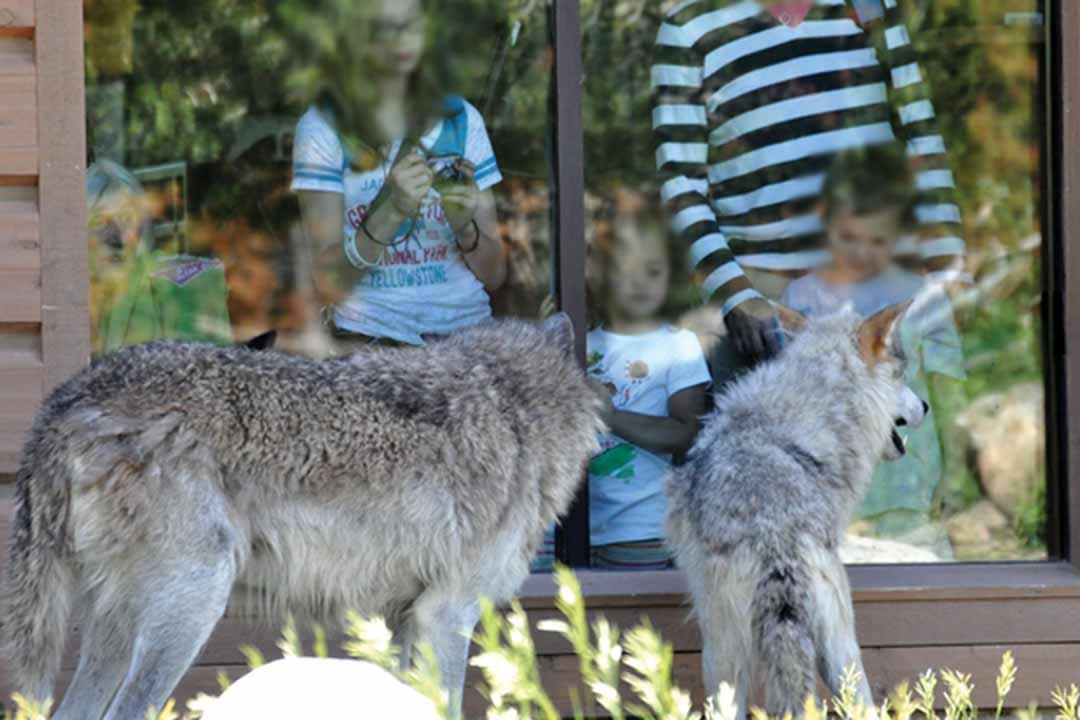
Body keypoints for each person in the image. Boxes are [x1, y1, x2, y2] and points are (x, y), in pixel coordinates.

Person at [653, 0, 968, 366]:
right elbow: (680, 184)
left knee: (909, 421)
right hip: (769, 308)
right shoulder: (690, 25)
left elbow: (920, 134)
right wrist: (736, 294)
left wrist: (947, 269)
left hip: (881, 288)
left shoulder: (872, 5)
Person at [291, 0, 507, 350]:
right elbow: (328, 285)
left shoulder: (462, 120)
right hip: (370, 340)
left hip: (469, 337)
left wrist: (464, 225)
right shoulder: (324, 128)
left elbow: (495, 275)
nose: (400, 40)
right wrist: (390, 211)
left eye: (410, 25)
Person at [781, 145, 964, 556]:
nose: (862, 252)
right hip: (827, 496)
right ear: (825, 219)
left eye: (877, 240)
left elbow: (947, 388)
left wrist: (954, 475)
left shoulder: (923, 296)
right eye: (849, 237)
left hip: (911, 492)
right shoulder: (801, 300)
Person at [534, 199, 712, 571]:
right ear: (599, 273)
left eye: (653, 271)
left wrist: (611, 415)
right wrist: (544, 346)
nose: (640, 283)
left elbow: (687, 434)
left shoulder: (677, 345)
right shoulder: (581, 343)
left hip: (642, 529)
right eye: (626, 269)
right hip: (572, 526)